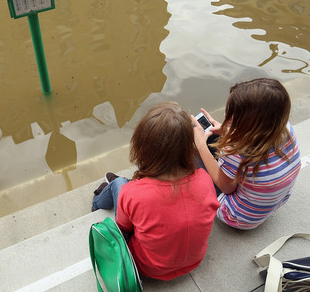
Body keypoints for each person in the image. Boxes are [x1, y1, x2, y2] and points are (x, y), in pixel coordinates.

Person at [91, 102, 219, 281]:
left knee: (119, 183)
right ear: (190, 146)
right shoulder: (205, 179)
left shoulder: (132, 193)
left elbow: (123, 228)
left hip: (148, 267)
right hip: (194, 261)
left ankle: (97, 202)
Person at [193, 78, 302, 230]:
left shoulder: (235, 150)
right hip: (275, 202)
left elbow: (226, 188)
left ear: (249, 121)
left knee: (193, 154)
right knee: (212, 136)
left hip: (237, 216)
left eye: (231, 113)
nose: (225, 115)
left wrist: (200, 146)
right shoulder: (284, 128)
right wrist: (226, 131)